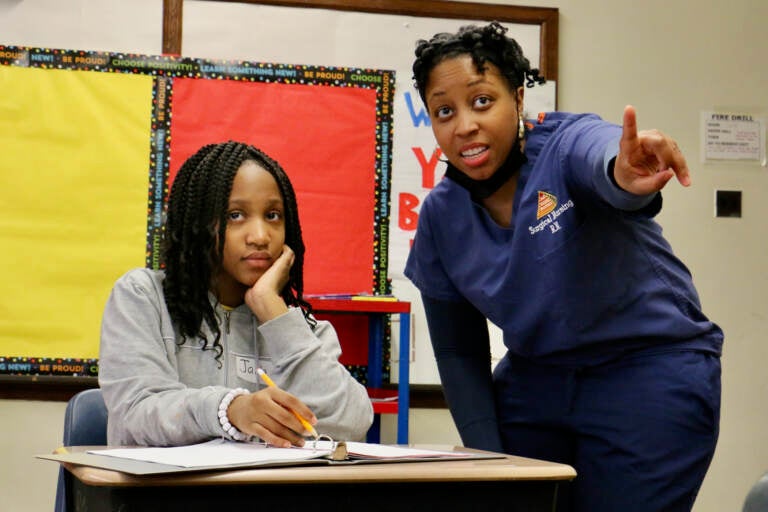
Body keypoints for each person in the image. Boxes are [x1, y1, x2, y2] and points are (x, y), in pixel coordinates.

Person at [404, 21, 722, 512]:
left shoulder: (564, 144)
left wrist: (623, 171)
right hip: (538, 382)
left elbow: (602, 159)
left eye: (482, 101)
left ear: (517, 96)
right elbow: (458, 350)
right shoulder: (442, 218)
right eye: (444, 111)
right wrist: (488, 458)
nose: (464, 124)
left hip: (647, 370)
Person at [99, 140, 373, 448]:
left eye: (272, 215)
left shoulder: (299, 327)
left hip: (261, 494)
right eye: (235, 215)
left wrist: (273, 313)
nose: (260, 236)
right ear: (199, 223)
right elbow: (136, 413)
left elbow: (353, 421)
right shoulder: (143, 297)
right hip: (164, 494)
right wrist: (230, 410)